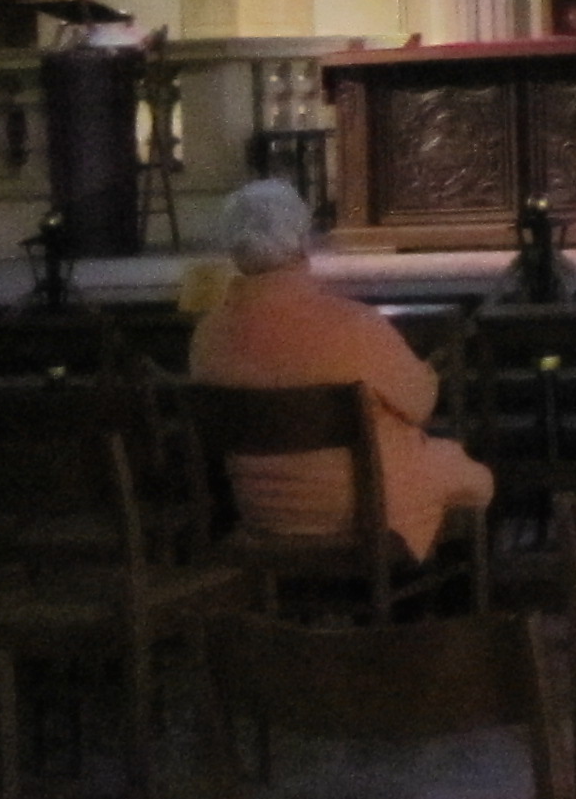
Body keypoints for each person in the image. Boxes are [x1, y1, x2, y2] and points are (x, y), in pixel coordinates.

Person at [186, 178, 493, 559]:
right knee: (474, 478)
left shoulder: (207, 336)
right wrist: (427, 372)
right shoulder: (353, 325)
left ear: (233, 250)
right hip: (369, 508)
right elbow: (420, 405)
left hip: (264, 513)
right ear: (303, 242)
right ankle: (448, 591)